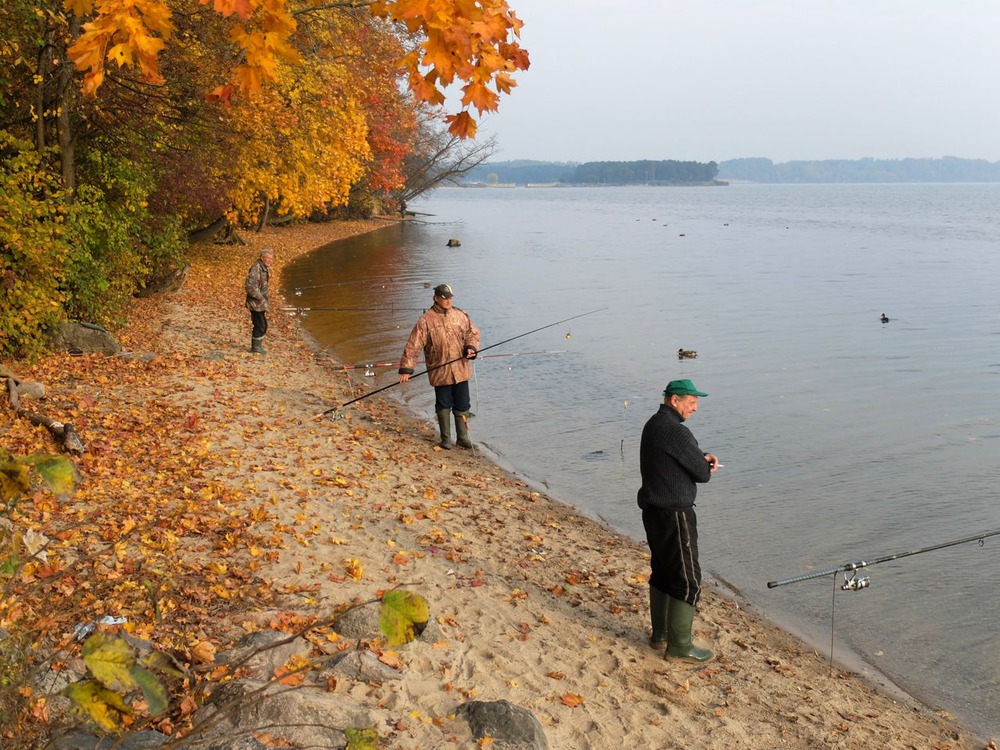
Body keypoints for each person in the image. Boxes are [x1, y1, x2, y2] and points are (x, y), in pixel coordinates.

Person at [637, 378, 720, 662]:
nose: (695, 409)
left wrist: (700, 457)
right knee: (689, 580)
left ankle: (660, 636)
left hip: (653, 511)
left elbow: (677, 458)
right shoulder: (676, 431)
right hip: (675, 514)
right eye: (692, 403)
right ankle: (680, 647)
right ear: (675, 400)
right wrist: (707, 462)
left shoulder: (654, 425)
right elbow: (702, 473)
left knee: (663, 573)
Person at [398, 284, 480, 449]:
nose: (448, 300)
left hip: (461, 370)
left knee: (463, 404)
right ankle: (445, 439)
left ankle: (463, 438)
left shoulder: (460, 315)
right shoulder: (426, 320)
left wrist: (471, 348)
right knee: (443, 404)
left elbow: (473, 334)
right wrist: (406, 369)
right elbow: (413, 345)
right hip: (440, 371)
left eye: (450, 297)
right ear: (436, 298)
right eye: (444, 297)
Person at [245, 248, 273, 354]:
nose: (270, 260)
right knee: (260, 324)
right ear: (262, 258)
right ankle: (256, 348)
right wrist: (261, 298)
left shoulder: (263, 268)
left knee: (262, 324)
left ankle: (257, 346)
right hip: (256, 303)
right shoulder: (256, 268)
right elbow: (250, 287)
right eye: (268, 258)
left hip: (260, 303)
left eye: (271, 258)